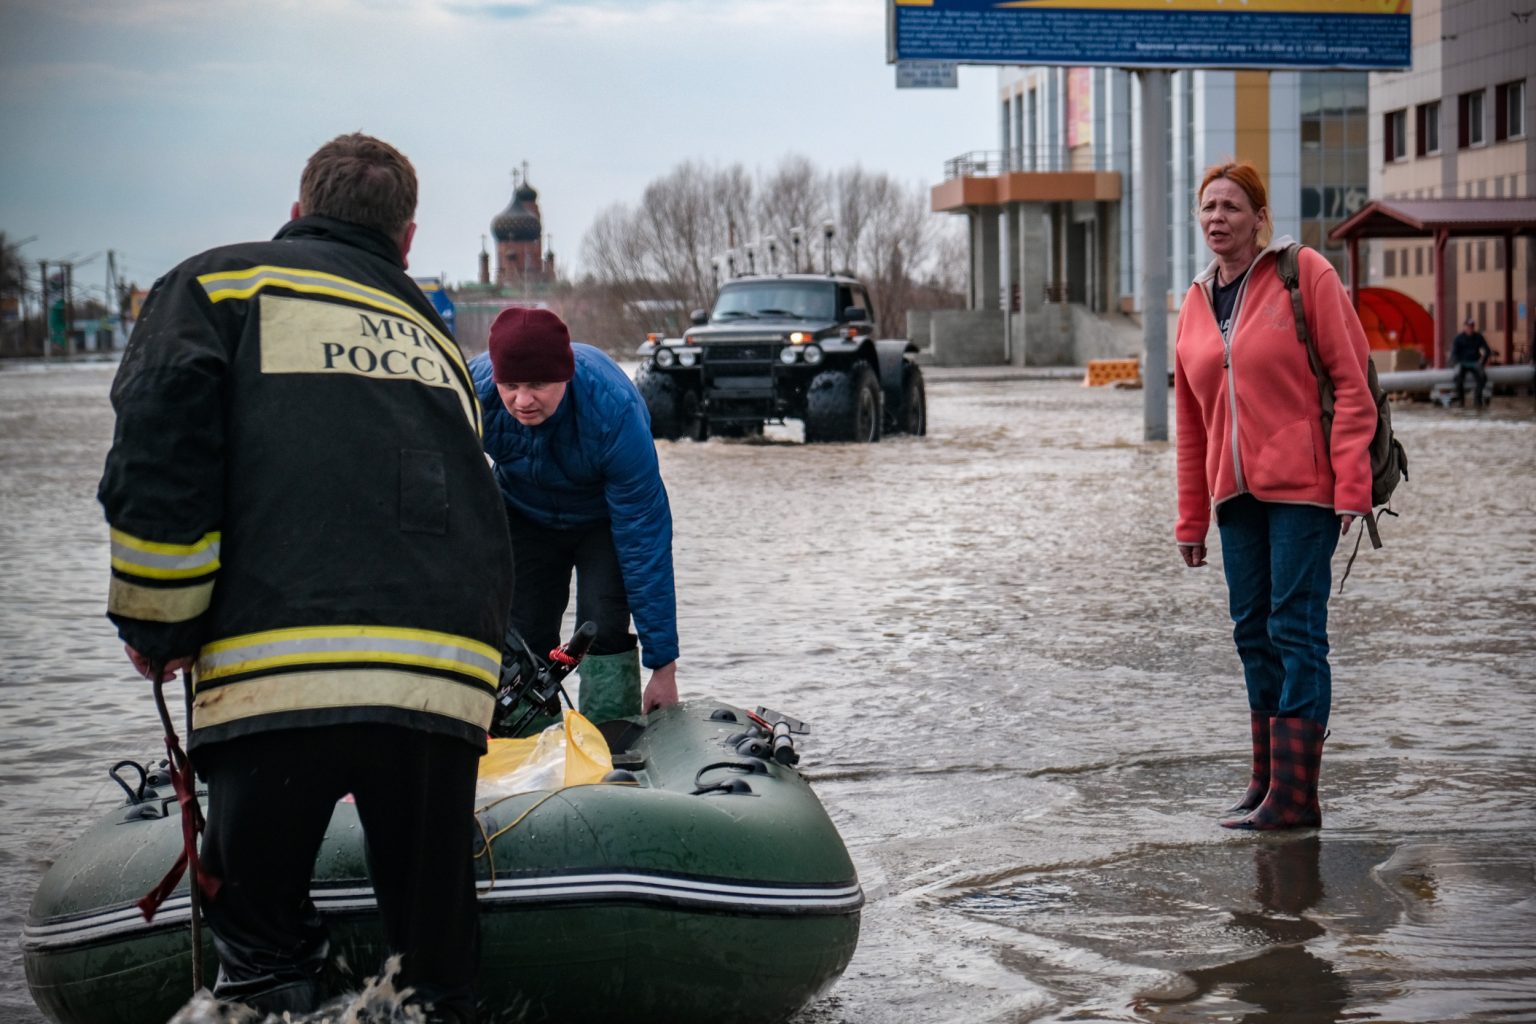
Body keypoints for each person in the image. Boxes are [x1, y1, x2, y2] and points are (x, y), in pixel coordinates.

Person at [97, 133, 512, 1022]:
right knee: (434, 976)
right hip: (442, 689)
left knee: (262, 956)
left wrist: (158, 627)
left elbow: (161, 447)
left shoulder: (216, 287)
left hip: (272, 680)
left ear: (296, 213)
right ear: (406, 240)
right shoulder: (432, 334)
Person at [1173, 161, 1376, 831]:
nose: (1217, 218)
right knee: (1251, 633)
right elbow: (1191, 423)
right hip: (1235, 496)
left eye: (1231, 206)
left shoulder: (1303, 273)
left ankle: (1296, 797)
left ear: (1260, 218)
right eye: (1208, 207)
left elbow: (1352, 385)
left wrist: (1352, 485)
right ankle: (1267, 782)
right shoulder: (1197, 300)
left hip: (1305, 491)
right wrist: (1190, 519)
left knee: (1295, 630)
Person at [469, 307, 680, 724]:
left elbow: (644, 543)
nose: (522, 400)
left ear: (564, 375)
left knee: (602, 628)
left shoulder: (614, 412)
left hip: (602, 519)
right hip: (522, 511)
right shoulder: (472, 394)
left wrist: (664, 668)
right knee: (521, 636)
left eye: (538, 385)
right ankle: (526, 742)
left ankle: (612, 742)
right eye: (510, 385)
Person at [1450, 316, 1492, 407]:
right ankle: (1461, 402)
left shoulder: (1478, 337)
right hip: (1462, 364)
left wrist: (1483, 362)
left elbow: (1487, 350)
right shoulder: (1458, 338)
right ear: (1464, 327)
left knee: (1483, 378)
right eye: (1468, 326)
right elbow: (1454, 354)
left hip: (1475, 363)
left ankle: (1477, 400)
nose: (1470, 328)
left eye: (1472, 326)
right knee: (1458, 379)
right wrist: (1457, 363)